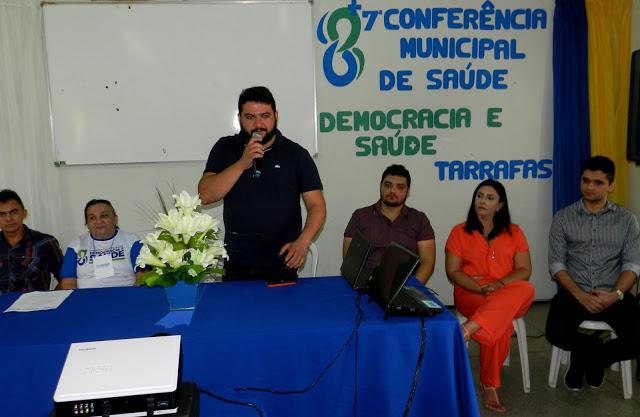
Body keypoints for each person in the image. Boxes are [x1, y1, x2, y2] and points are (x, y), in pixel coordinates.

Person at [198, 86, 325, 281]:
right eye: (250, 117)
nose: (258, 124)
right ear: (239, 118)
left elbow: (317, 206)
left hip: (282, 263)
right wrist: (242, 163)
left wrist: (303, 241)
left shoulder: (296, 154)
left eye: (265, 116)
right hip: (237, 263)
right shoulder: (225, 147)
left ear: (276, 116)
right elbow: (205, 195)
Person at [546, 156, 640, 391]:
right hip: (574, 293)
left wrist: (615, 295)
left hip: (613, 294)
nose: (589, 187)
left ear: (611, 186)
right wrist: (580, 295)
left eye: (598, 182)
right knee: (554, 332)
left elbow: (632, 265)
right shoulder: (563, 217)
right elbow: (556, 265)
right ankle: (589, 348)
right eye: (585, 180)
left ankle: (592, 358)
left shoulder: (627, 220)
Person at [445, 179, 534, 413]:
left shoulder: (514, 232)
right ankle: (490, 385)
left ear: (500, 205)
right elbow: (453, 272)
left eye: (490, 198)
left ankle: (468, 329)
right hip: (471, 292)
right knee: (501, 324)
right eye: (479, 196)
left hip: (506, 291)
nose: (482, 201)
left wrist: (500, 284)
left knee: (526, 288)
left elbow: (524, 270)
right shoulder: (460, 231)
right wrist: (481, 288)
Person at [343, 164, 436, 284]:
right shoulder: (360, 216)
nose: (392, 191)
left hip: (405, 285)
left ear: (407, 191)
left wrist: (412, 288)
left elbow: (427, 261)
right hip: (366, 285)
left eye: (400, 187)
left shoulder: (419, 219)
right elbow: (349, 259)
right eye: (387, 185)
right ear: (380, 186)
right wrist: (361, 284)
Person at [58, 199, 143, 289]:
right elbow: (68, 283)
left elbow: (143, 277)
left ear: (115, 219)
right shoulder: (76, 245)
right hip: (86, 296)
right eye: (92, 218)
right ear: (87, 224)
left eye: (104, 216)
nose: (98, 221)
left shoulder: (132, 241)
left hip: (125, 294)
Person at [0, 189, 63, 294]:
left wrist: (51, 298)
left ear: (24, 214)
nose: (8, 218)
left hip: (36, 304)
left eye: (13, 212)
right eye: (2, 214)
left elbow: (66, 279)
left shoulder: (45, 243)